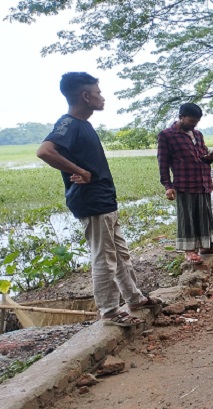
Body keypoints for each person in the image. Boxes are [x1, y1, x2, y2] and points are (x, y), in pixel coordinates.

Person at [36, 72, 160, 327]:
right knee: (104, 256)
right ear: (85, 96)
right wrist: (79, 171)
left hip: (104, 200)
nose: (102, 97)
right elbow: (45, 151)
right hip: (91, 201)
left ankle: (134, 298)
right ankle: (109, 311)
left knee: (120, 254)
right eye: (98, 92)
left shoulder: (85, 125)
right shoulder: (68, 123)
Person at [158, 103, 213, 263]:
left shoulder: (198, 134)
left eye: (196, 121)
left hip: (203, 181)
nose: (193, 124)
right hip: (184, 182)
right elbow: (163, 162)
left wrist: (208, 157)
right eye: (191, 121)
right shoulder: (166, 135)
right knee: (187, 217)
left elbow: (202, 154)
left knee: (205, 216)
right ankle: (189, 251)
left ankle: (207, 246)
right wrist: (168, 186)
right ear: (181, 117)